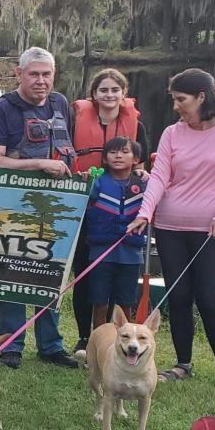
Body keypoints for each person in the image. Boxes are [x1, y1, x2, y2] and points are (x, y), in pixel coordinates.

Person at [128, 68, 215, 395]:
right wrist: (145, 213)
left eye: (181, 100)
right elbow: (160, 177)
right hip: (169, 227)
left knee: (209, 299)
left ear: (202, 97)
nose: (176, 106)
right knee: (177, 297)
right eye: (174, 100)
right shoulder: (172, 133)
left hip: (213, 229)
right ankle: (183, 364)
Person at [0, 47, 80, 369]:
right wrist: (39, 163)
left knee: (50, 271)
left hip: (55, 205)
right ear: (19, 74)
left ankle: (50, 345)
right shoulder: (2, 110)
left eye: (46, 74)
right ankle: (11, 344)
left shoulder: (60, 103)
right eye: (34, 74)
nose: (41, 81)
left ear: (54, 75)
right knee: (12, 273)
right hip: (14, 204)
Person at [67, 67, 151, 356]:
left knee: (123, 290)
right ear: (94, 94)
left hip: (124, 217)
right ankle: (84, 338)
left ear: (123, 94)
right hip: (88, 208)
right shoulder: (75, 117)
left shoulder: (135, 125)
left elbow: (143, 163)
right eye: (103, 90)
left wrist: (143, 176)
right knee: (85, 277)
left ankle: (122, 339)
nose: (109, 95)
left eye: (115, 90)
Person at [81, 137, 148, 333]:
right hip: (101, 254)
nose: (118, 156)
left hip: (131, 256)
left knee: (125, 303)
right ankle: (98, 342)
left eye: (125, 152)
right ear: (104, 159)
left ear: (136, 159)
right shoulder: (97, 183)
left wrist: (150, 177)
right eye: (113, 152)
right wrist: (85, 180)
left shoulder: (143, 183)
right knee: (99, 302)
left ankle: (123, 341)